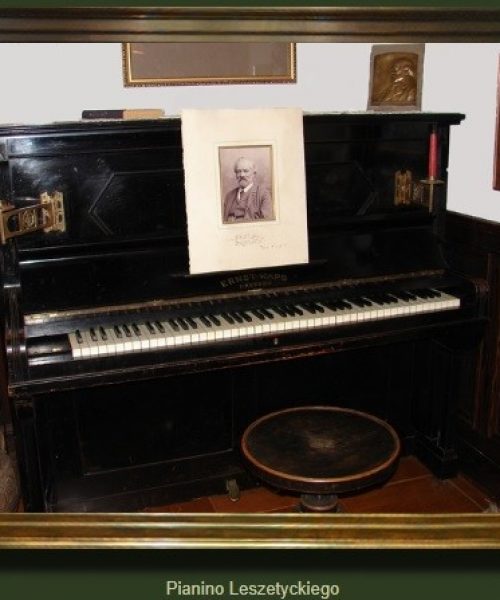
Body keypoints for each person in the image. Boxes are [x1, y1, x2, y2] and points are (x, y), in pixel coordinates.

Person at [223, 157, 273, 223]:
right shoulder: (229, 196)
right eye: (238, 171)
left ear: (254, 174)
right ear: (236, 174)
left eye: (245, 171)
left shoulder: (263, 194)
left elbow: (266, 223)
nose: (242, 175)